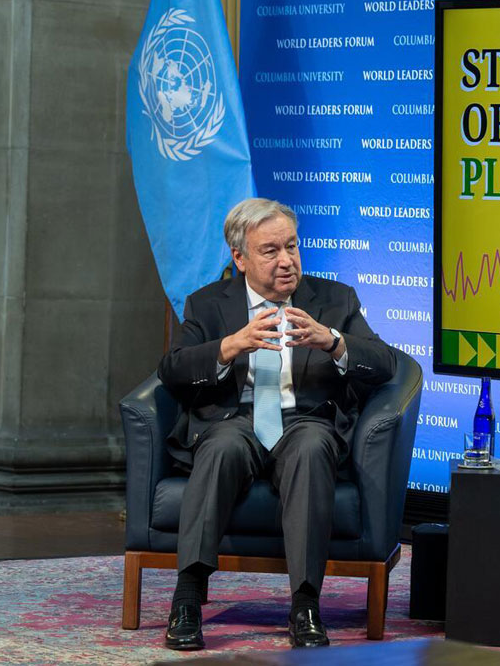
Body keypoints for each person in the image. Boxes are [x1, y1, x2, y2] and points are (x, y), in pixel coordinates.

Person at [157, 198, 396, 650]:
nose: (287, 261)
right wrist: (230, 346)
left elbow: (386, 363)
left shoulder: (334, 300)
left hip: (306, 420)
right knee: (221, 446)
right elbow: (171, 370)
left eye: (292, 246)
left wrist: (333, 342)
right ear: (240, 258)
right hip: (236, 420)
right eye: (271, 251)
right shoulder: (208, 304)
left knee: (309, 448)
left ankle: (305, 604)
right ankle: (187, 597)